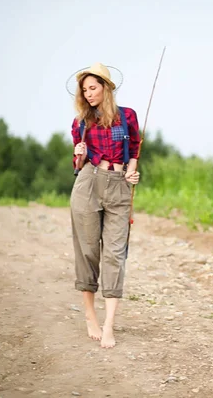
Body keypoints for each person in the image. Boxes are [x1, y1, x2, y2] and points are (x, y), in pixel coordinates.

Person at [69, 62, 141, 348]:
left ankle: (109, 324)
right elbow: (77, 165)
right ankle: (90, 316)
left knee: (115, 253)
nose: (88, 94)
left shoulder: (127, 116)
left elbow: (134, 148)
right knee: (87, 251)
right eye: (84, 90)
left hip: (119, 183)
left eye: (93, 88)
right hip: (88, 183)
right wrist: (79, 153)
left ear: (106, 87)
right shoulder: (80, 122)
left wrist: (132, 171)